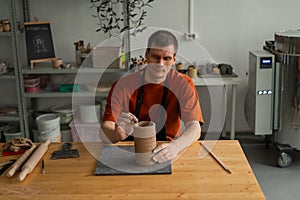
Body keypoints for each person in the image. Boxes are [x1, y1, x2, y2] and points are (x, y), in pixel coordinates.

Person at [100, 30, 204, 163]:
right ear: (146, 55)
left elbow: (195, 128)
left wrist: (175, 147)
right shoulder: (122, 85)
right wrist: (118, 133)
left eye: (166, 58)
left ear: (173, 60)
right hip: (130, 151)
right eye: (155, 56)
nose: (160, 64)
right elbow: (104, 132)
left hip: (167, 150)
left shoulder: (183, 84)